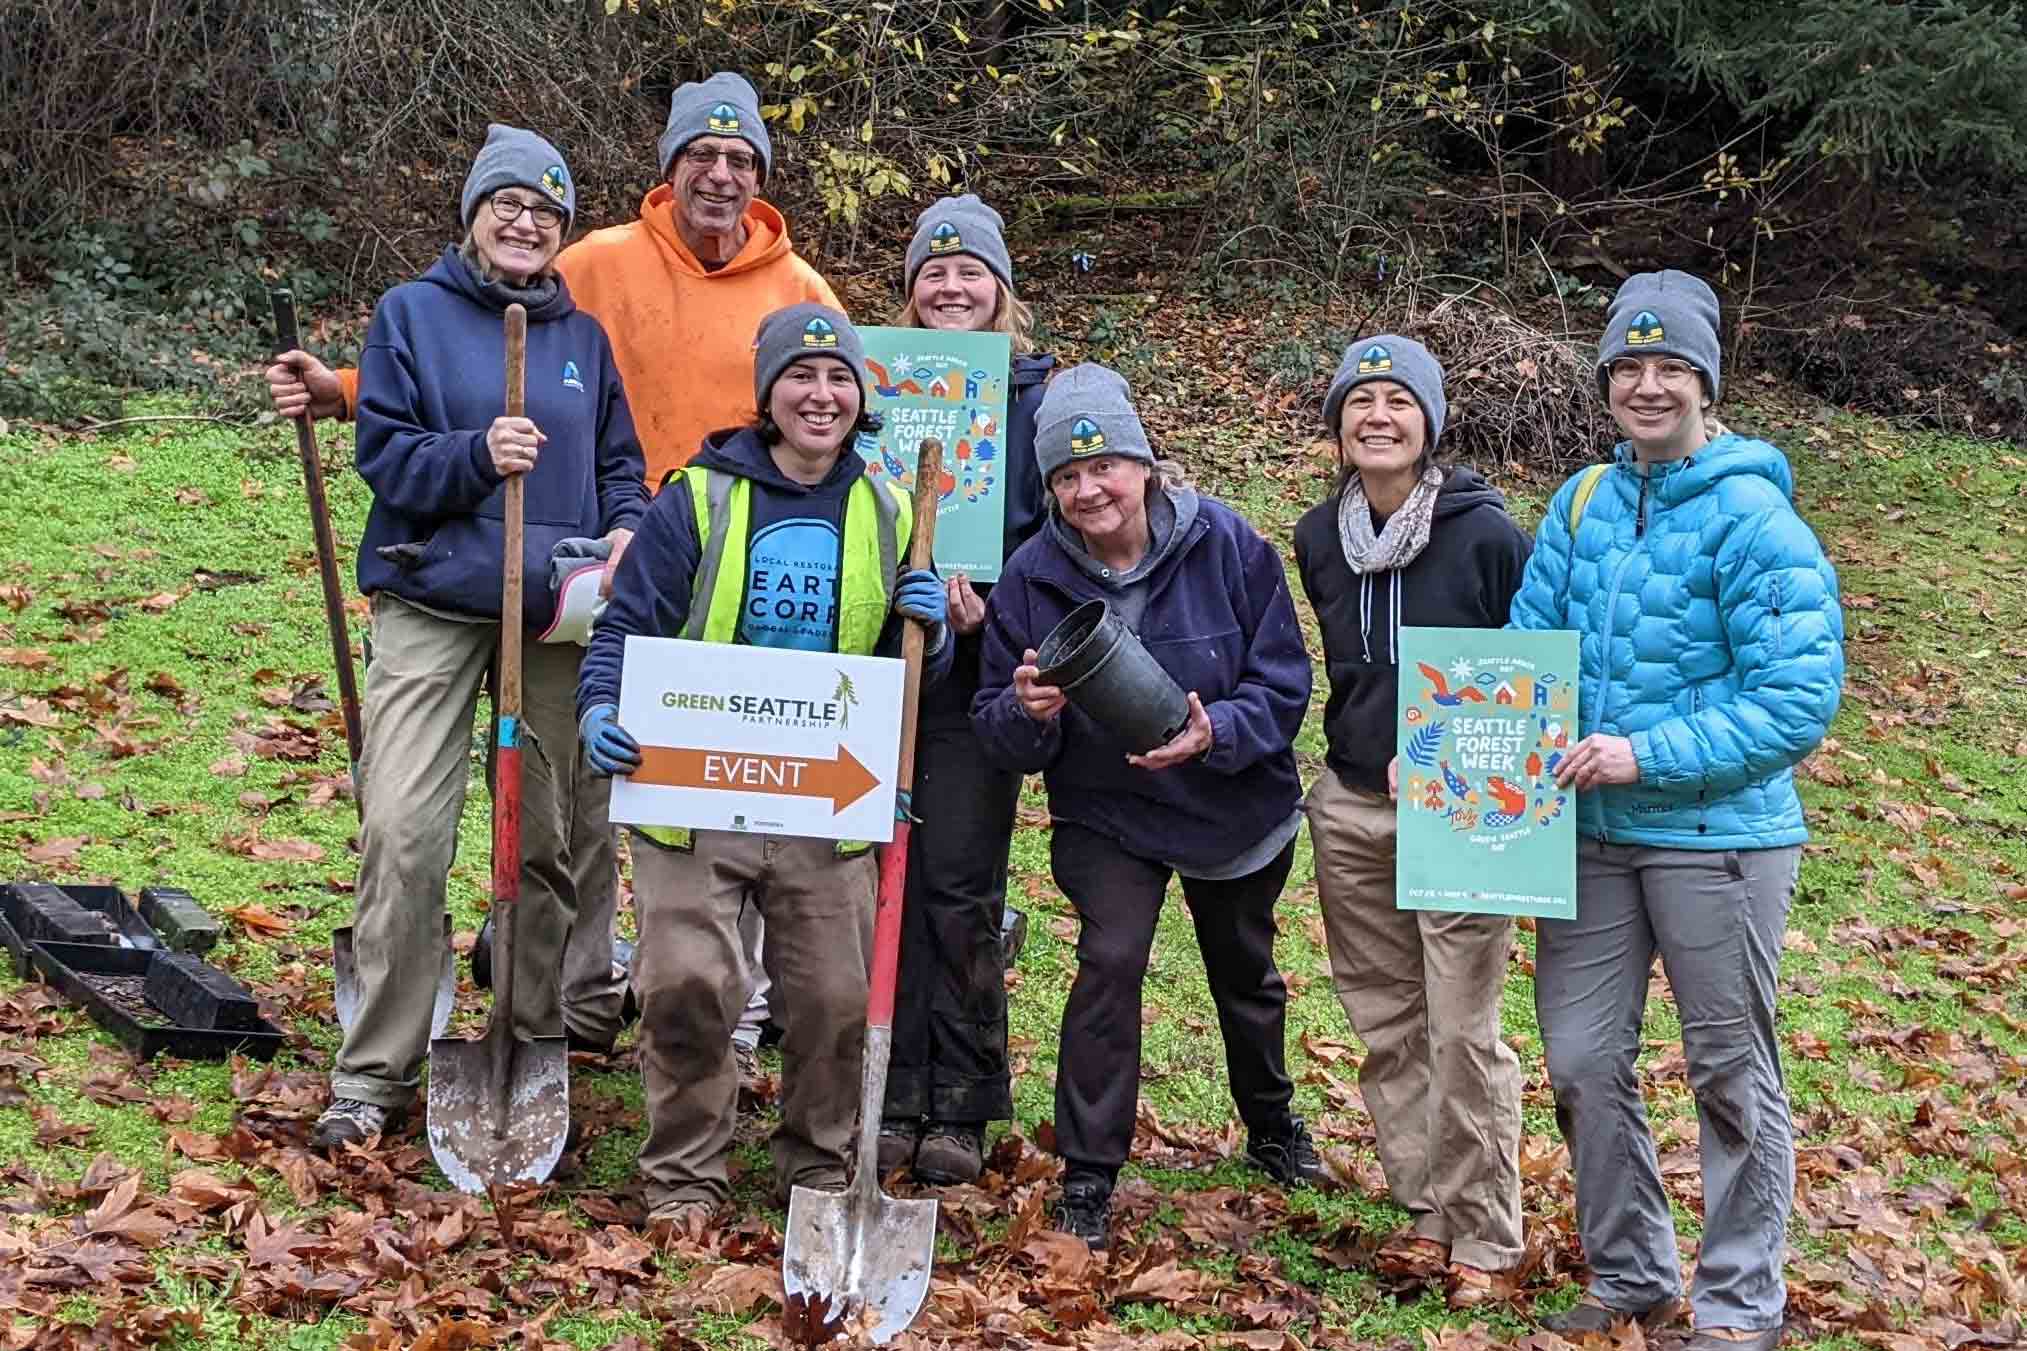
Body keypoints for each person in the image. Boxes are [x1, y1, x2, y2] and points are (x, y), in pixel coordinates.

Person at [266, 71, 834, 1069]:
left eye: (738, 157)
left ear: (759, 175)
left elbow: (837, 404)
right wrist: (354, 396)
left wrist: (627, 531)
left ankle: (583, 1020)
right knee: (416, 833)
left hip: (672, 578)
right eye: (700, 154)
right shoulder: (593, 270)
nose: (718, 171)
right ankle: (411, 1057)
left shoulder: (794, 295)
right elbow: (455, 356)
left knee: (590, 824)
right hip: (475, 587)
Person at [1508, 271, 1843, 1351]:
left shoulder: (1754, 514)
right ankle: (1631, 1271)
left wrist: (1642, 752)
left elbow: (1794, 697)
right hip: (1591, 842)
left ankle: (1739, 1307)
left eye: (1669, 368)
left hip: (1720, 841)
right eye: (1627, 367)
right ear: (1605, 380)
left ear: (1705, 384)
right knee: (1580, 1057)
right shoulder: (1577, 503)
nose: (1646, 386)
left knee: (1728, 1072)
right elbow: (1526, 658)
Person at [574, 304, 952, 1237]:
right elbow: (627, 624)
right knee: (688, 984)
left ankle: (818, 1169)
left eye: (838, 379)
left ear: (860, 397)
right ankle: (684, 1173)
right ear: (768, 394)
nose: (820, 395)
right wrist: (597, 704)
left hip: (822, 796)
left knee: (831, 996)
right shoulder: (698, 497)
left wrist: (931, 632)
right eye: (801, 377)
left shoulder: (891, 508)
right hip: (692, 784)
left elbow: (902, 675)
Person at [311, 126, 647, 1149]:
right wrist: (474, 454)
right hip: (432, 600)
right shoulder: (411, 316)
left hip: (550, 614)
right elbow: (387, 459)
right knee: (404, 834)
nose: (525, 221)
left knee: (548, 844)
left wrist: (629, 525)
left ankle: (524, 1045)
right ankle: (373, 1070)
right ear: (472, 213)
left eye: (546, 211)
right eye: (507, 204)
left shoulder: (582, 340)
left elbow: (621, 465)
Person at [970, 363, 1322, 1250]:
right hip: (1108, 810)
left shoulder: (1229, 546)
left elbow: (1283, 682)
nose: (1089, 490)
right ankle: (1088, 1175)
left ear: (1144, 466)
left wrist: (1218, 731)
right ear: (1048, 487)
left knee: (1244, 972)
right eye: (1065, 475)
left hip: (1229, 803)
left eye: (1104, 467)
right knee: (1110, 960)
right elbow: (995, 727)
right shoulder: (1031, 575)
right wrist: (1027, 709)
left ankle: (1274, 1126)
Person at [1294, 336, 1532, 1306]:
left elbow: (1532, 677)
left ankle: (1482, 1231)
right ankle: (1424, 1204)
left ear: (1428, 423)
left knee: (1462, 1025)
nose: (1377, 415)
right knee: (1387, 1019)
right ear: (1338, 426)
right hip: (1350, 803)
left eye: (1398, 399)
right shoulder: (1316, 537)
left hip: (1462, 803)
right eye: (1359, 401)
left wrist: (1446, 743)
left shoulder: (1486, 536)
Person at [875, 195, 1057, 1186]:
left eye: (969, 272)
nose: (950, 285)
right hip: (880, 665)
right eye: (932, 272)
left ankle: (962, 1098)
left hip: (980, 677)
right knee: (882, 880)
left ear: (1000, 290)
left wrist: (994, 599)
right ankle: (893, 1082)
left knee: (958, 884)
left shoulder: (1038, 398)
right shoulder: (875, 386)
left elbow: (1061, 531)